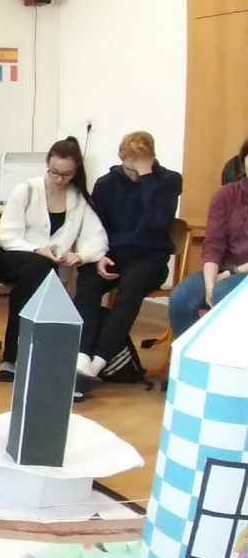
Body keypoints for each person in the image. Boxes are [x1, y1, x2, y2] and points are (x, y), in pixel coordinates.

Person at [0, 136, 108, 381]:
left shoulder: (79, 199)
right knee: (39, 267)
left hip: (44, 269)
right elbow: (8, 236)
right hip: (10, 259)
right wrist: (36, 249)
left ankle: (17, 357)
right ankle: (19, 356)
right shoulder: (27, 190)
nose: (59, 179)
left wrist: (80, 255)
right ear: (47, 164)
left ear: (76, 171)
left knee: (39, 273)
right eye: (54, 172)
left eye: (66, 174)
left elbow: (97, 237)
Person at [73, 130, 183, 383]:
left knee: (131, 287)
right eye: (129, 169)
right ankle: (82, 355)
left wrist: (147, 178)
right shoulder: (106, 184)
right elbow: (96, 228)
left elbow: (158, 222)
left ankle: (99, 361)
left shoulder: (169, 180)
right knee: (88, 282)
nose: (133, 175)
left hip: (150, 259)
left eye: (139, 169)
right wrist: (98, 256)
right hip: (112, 256)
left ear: (151, 160)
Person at [168, 173, 248, 337]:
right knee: (181, 298)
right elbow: (214, 243)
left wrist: (232, 273)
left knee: (223, 292)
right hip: (223, 270)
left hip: (237, 273)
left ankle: (225, 353)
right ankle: (192, 353)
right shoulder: (226, 194)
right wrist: (209, 281)